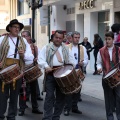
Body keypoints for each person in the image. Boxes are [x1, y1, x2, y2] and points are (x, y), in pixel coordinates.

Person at [0, 19, 34, 120]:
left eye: (18, 27)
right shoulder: (2, 39)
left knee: (14, 96)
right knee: (2, 95)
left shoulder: (23, 41)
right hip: (3, 70)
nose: (17, 29)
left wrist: (24, 55)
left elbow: (30, 57)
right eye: (15, 27)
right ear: (10, 28)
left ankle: (11, 116)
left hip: (18, 71)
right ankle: (0, 115)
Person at [39, 30, 75, 120]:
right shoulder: (46, 47)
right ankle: (47, 117)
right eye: (56, 37)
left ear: (63, 39)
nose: (58, 39)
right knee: (49, 96)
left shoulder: (66, 48)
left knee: (61, 97)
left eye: (60, 38)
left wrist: (69, 67)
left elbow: (72, 61)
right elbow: (40, 59)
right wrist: (46, 66)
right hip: (51, 75)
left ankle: (56, 117)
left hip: (63, 77)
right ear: (53, 37)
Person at [18, 30, 43, 116]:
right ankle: (22, 108)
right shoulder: (20, 46)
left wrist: (37, 59)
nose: (23, 38)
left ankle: (35, 108)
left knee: (34, 91)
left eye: (25, 36)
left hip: (32, 70)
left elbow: (40, 57)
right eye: (22, 36)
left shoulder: (35, 48)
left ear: (29, 37)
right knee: (23, 91)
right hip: (22, 70)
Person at [64, 31, 88, 116]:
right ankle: (67, 108)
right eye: (75, 37)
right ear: (72, 38)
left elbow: (86, 59)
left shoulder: (82, 48)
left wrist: (83, 63)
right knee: (69, 91)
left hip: (78, 71)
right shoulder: (66, 47)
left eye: (78, 37)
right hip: (69, 71)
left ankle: (74, 107)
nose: (77, 39)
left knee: (78, 90)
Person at [97, 31, 120, 120]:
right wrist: (99, 68)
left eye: (109, 39)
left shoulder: (118, 50)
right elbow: (98, 63)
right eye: (106, 39)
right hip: (106, 78)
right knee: (108, 99)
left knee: (119, 98)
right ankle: (110, 117)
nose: (107, 41)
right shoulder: (101, 51)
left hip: (118, 78)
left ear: (113, 40)